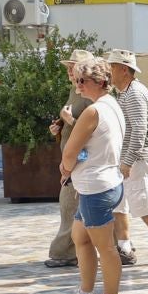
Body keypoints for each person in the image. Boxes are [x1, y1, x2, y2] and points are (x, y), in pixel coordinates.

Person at [59, 58, 127, 294]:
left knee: (106, 247)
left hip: (96, 187)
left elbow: (71, 152)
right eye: (76, 80)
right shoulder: (111, 105)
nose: (77, 86)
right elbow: (94, 147)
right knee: (80, 237)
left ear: (98, 82)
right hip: (103, 183)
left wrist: (66, 169)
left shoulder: (93, 111)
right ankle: (86, 293)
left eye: (81, 81)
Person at [108, 50, 148, 266]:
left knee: (143, 205)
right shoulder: (125, 92)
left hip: (136, 159)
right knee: (120, 204)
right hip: (129, 158)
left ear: (124, 70)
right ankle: (124, 248)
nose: (109, 71)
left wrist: (127, 161)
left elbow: (139, 130)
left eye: (112, 67)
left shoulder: (134, 93)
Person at [46, 50, 97, 268]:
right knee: (72, 208)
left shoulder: (87, 94)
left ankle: (64, 252)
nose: (69, 70)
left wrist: (71, 120)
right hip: (72, 159)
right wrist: (59, 127)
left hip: (81, 160)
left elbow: (93, 131)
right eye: (68, 67)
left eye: (73, 66)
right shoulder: (75, 90)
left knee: (69, 206)